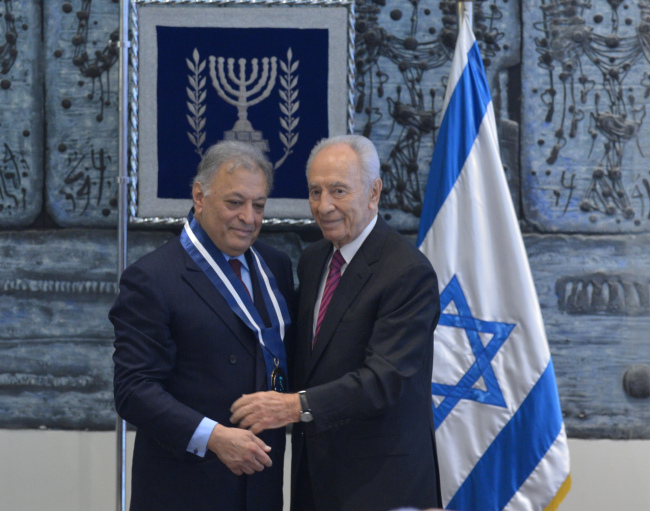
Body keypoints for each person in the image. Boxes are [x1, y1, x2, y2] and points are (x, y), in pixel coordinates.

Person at [230, 135, 442, 511]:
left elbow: (383, 380)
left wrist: (294, 407)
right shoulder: (313, 260)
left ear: (373, 192)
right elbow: (306, 361)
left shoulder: (407, 272)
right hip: (315, 480)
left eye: (338, 191)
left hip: (381, 487)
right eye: (315, 191)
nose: (324, 206)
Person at [110, 141, 294, 511]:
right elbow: (133, 389)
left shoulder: (276, 266)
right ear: (199, 196)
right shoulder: (153, 277)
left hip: (261, 489)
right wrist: (213, 437)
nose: (248, 217)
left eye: (258, 205)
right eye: (234, 202)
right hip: (185, 488)